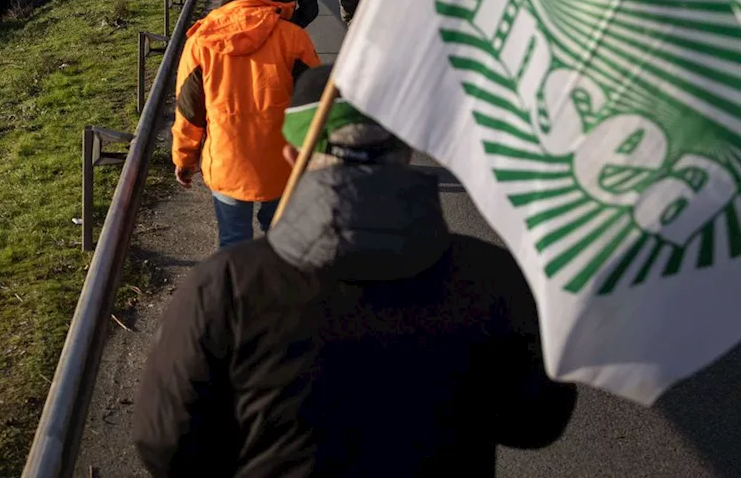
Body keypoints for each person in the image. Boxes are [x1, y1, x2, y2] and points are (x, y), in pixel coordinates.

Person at [135, 63, 578, 477]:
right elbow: (539, 422)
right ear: (405, 151)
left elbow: (165, 448)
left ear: (292, 155)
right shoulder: (493, 276)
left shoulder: (224, 287)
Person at [172, 0, 319, 249]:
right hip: (282, 163)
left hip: (228, 162)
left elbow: (190, 113)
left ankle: (241, 294)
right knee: (281, 243)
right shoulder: (293, 38)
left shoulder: (201, 43)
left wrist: (184, 159)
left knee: (234, 244)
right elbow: (316, 104)